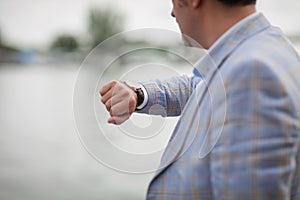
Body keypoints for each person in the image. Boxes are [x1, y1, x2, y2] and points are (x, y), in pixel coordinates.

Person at [100, 0, 300, 199]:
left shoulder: (252, 73)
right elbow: (198, 86)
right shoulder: (262, 50)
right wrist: (139, 95)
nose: (172, 12)